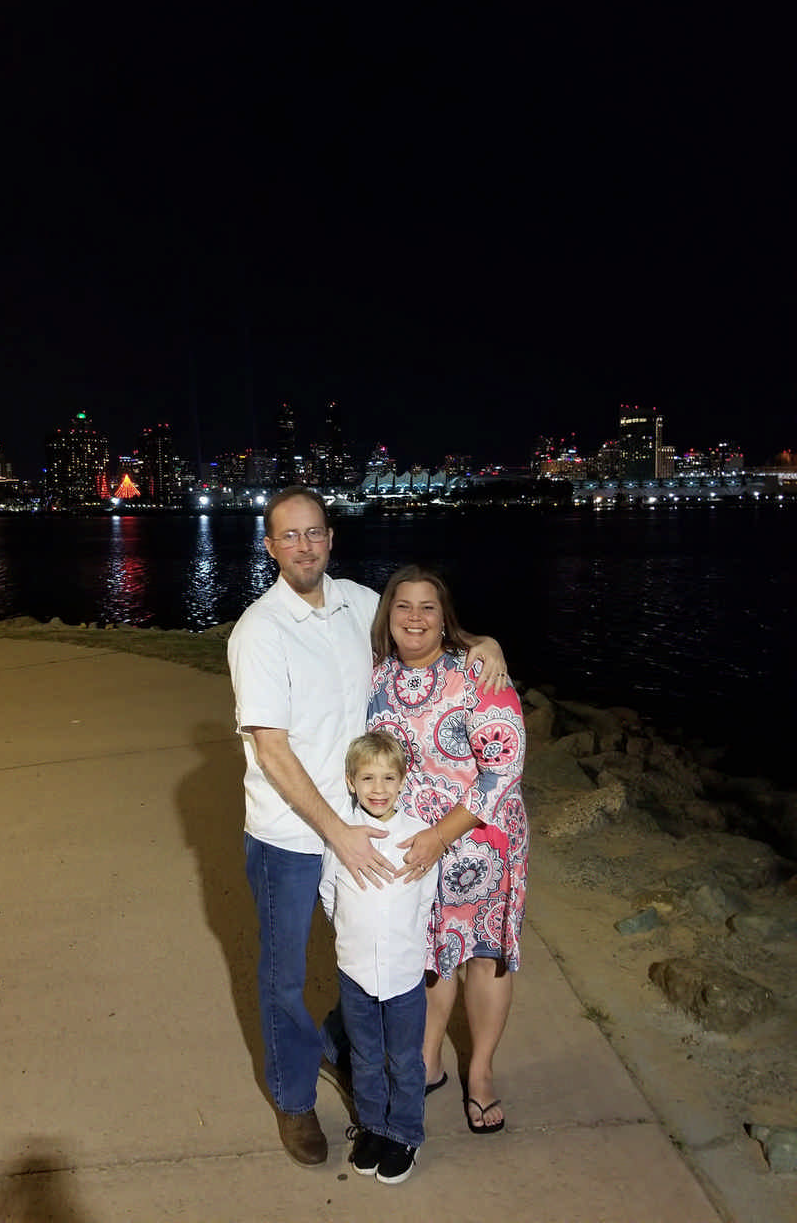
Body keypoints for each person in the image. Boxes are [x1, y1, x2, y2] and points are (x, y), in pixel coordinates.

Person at [227, 487, 507, 1166]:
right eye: (289, 536)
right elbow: (272, 750)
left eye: (313, 533)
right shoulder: (259, 631)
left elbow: (421, 624)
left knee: (373, 959)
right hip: (293, 837)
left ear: (330, 538)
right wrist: (337, 831)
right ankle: (295, 1099)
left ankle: (336, 1044)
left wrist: (483, 642)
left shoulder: (357, 603)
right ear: (270, 547)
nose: (304, 546)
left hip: (369, 825)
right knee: (284, 976)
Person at [367, 564, 527, 1135]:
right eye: (403, 605)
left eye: (427, 607)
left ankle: (480, 1073)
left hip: (481, 843)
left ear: (444, 618)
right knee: (431, 954)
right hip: (415, 846)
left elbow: (503, 767)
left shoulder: (477, 672)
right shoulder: (376, 677)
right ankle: (429, 1061)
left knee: (483, 955)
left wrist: (442, 835)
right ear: (387, 615)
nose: (414, 617)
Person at [319, 732, 439, 1185]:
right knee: (365, 1056)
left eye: (389, 777)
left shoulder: (418, 838)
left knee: (404, 1060)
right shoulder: (341, 839)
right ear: (351, 782)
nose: (378, 788)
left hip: (404, 975)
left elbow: (425, 899)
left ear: (403, 781)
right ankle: (373, 1126)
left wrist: (403, 943)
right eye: (367, 778)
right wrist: (353, 937)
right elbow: (329, 894)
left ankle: (404, 1133)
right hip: (355, 974)